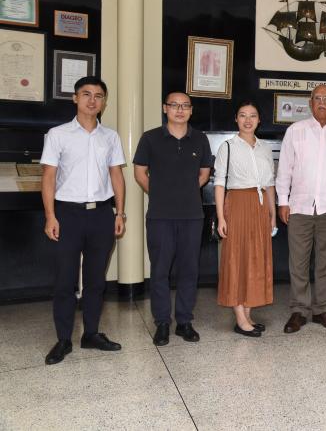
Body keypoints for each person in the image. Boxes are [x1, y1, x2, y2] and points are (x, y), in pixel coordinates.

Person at [40, 76, 126, 365]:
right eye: (86, 94)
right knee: (65, 280)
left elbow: (117, 176)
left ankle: (91, 334)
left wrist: (120, 213)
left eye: (99, 96)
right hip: (67, 214)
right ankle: (64, 339)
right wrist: (50, 215)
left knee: (95, 280)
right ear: (75, 98)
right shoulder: (58, 134)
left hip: (102, 214)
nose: (92, 100)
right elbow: (49, 177)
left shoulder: (110, 137)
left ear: (104, 102)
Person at [133, 92, 213, 346]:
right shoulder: (150, 138)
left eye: (185, 106)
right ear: (165, 108)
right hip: (160, 216)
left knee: (190, 270)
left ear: (191, 110)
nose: (180, 110)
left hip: (192, 215)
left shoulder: (200, 139)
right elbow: (140, 173)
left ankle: (184, 322)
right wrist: (159, 193)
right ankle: (162, 323)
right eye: (174, 105)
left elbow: (204, 174)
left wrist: (185, 193)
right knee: (160, 271)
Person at [276, 84, 326, 333]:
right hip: (299, 205)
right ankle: (299, 310)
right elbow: (285, 169)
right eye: (317, 98)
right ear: (310, 103)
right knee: (298, 261)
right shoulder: (295, 131)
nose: (322, 102)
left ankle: (321, 309)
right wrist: (282, 201)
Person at [214, 100, 276, 338]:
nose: (248, 120)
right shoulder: (227, 147)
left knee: (257, 258)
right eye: (243, 115)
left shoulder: (264, 148)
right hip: (238, 204)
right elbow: (219, 183)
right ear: (236, 119)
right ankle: (239, 318)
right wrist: (221, 217)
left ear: (259, 120)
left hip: (260, 207)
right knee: (237, 258)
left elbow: (269, 184)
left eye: (253, 115)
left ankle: (248, 314)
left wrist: (272, 215)